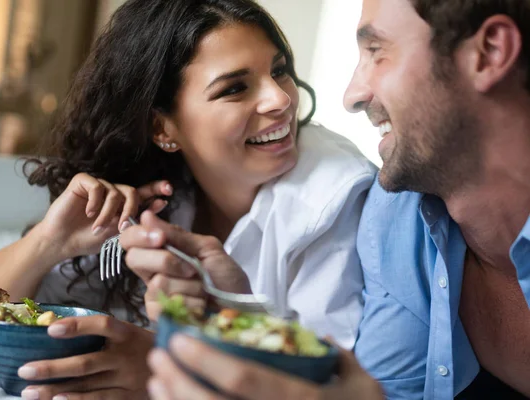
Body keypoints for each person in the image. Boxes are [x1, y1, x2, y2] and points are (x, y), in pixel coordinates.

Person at [0, 0, 376, 399]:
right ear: (162, 126)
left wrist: (162, 360)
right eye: (235, 88)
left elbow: (326, 378)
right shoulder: (155, 193)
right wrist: (48, 242)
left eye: (279, 71)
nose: (280, 99)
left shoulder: (334, 195)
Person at [145, 0, 530, 399]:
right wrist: (236, 313)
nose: (352, 95)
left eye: (377, 52)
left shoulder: (340, 191)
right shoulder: (398, 218)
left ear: (489, 53)